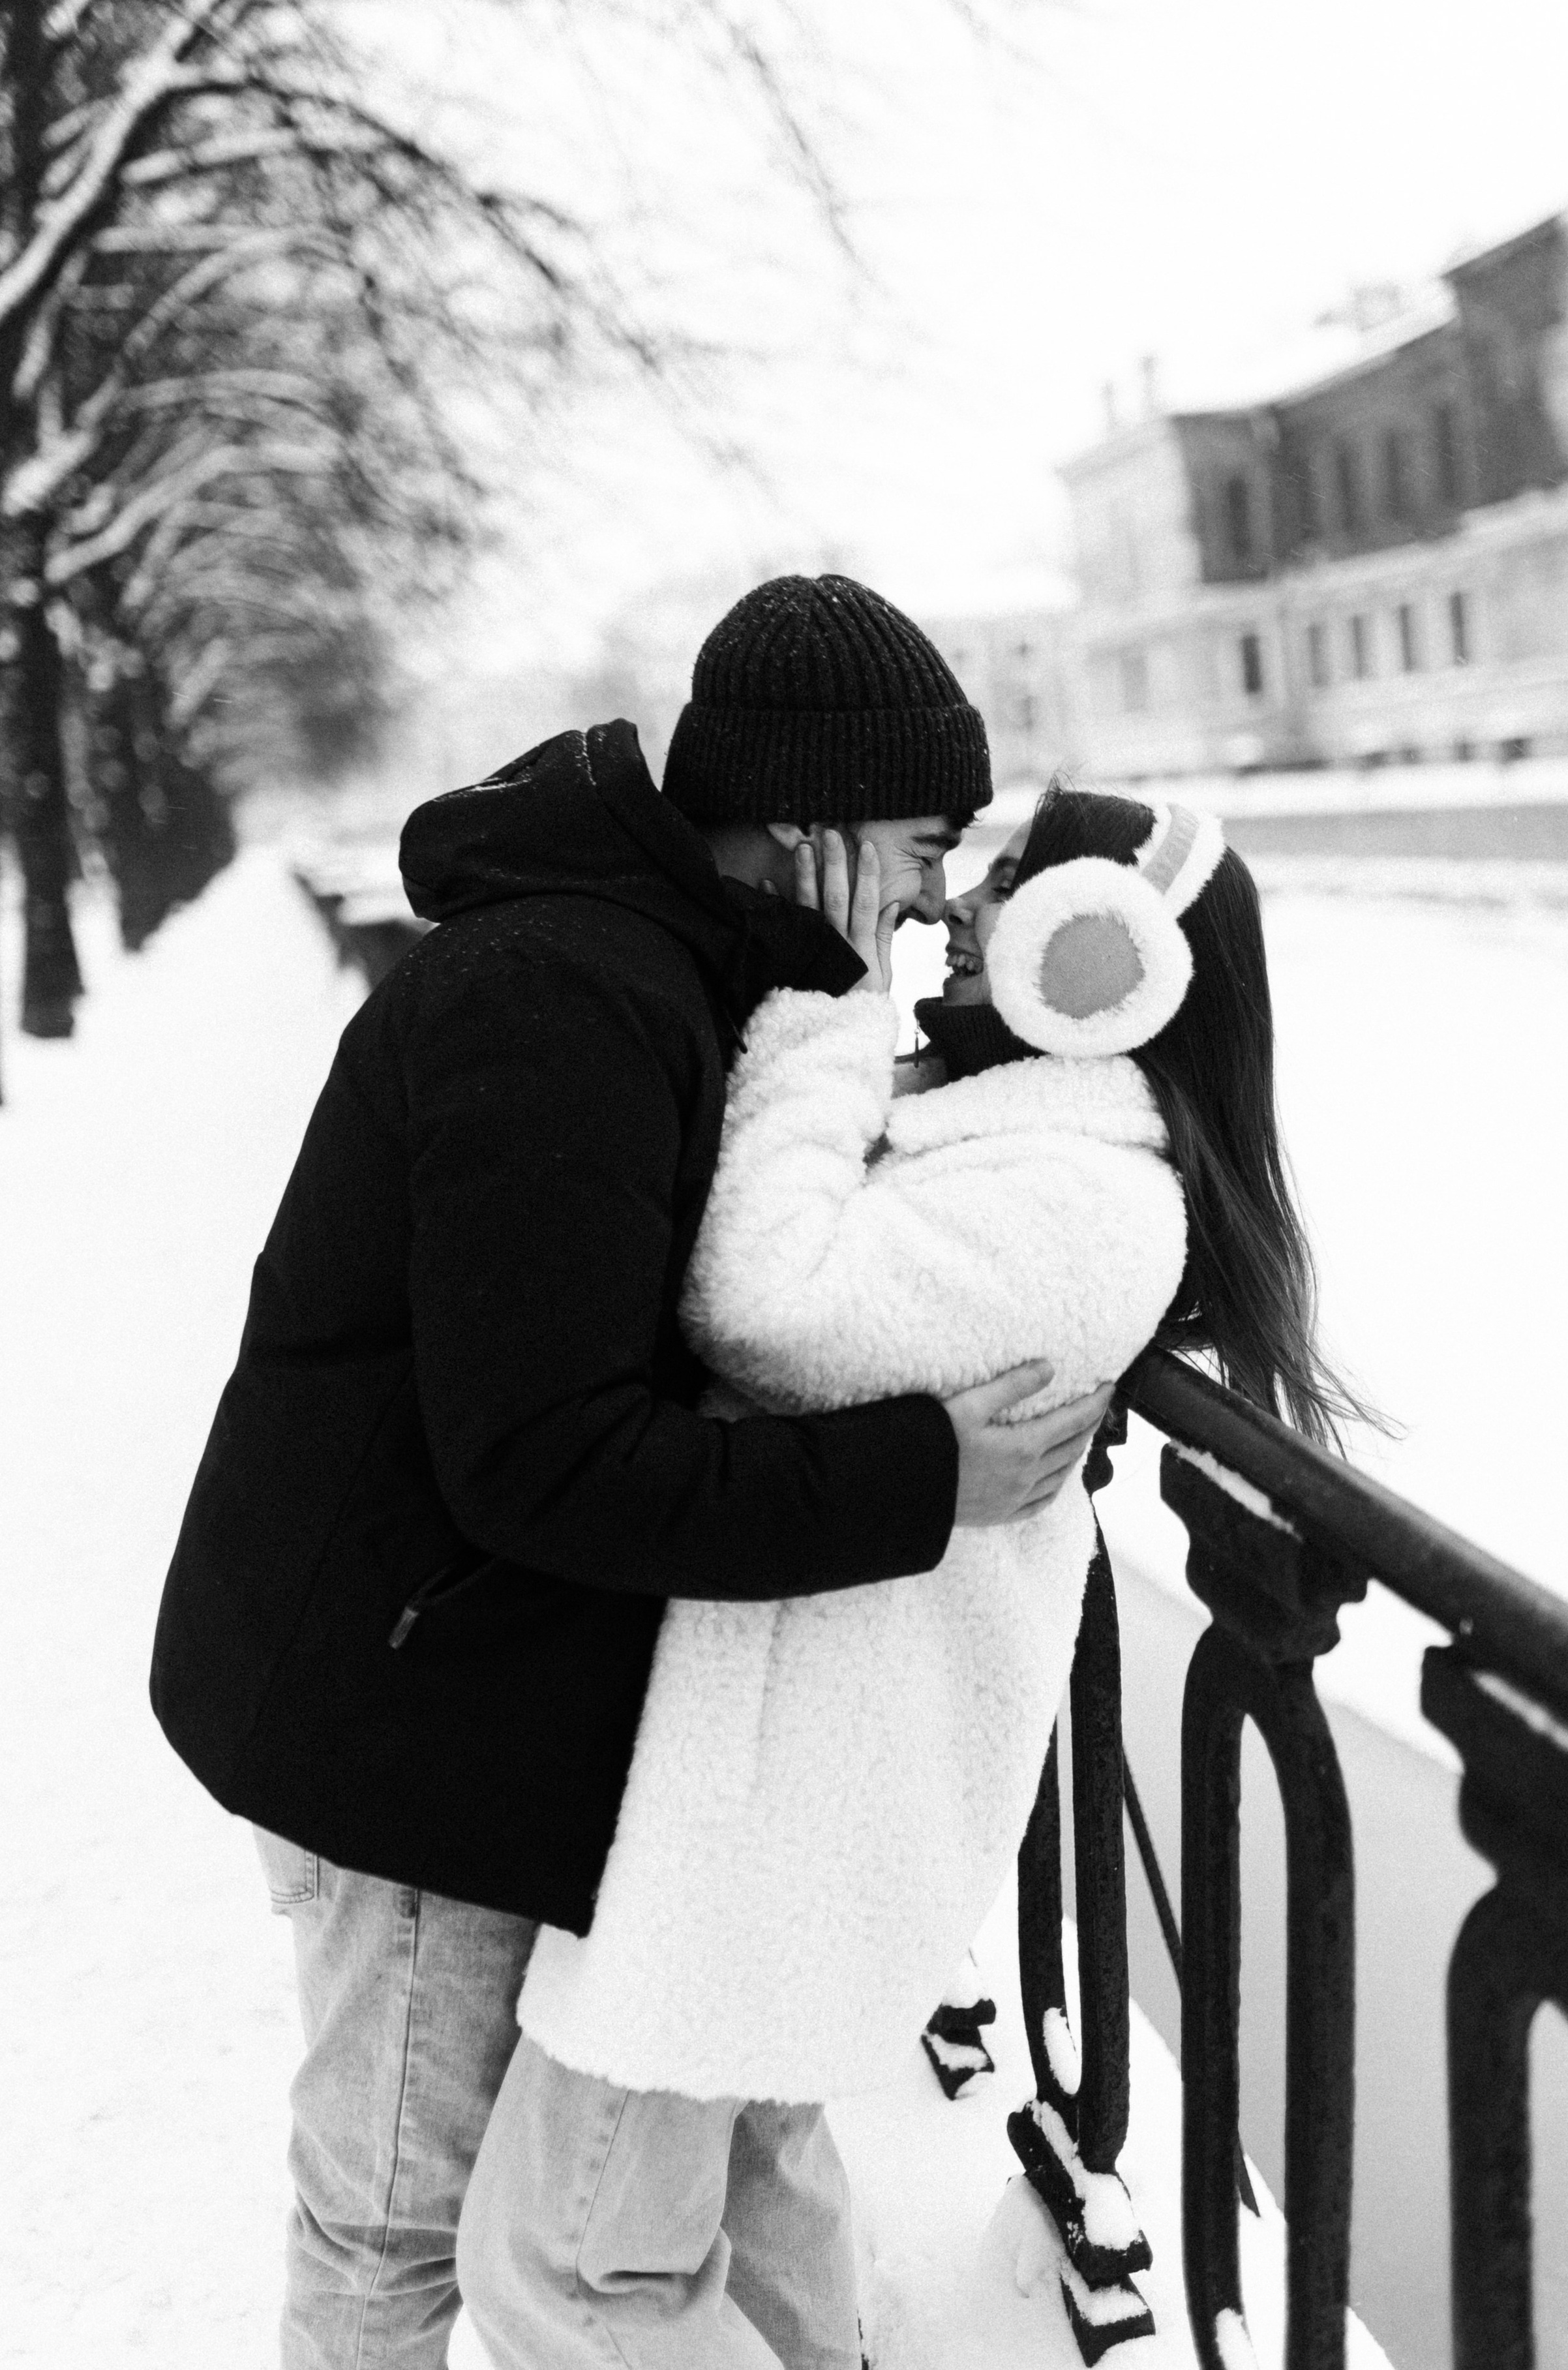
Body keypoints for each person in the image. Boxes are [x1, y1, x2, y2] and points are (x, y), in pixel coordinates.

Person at [148, 575, 1113, 2370]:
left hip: (474, 1680)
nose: (924, 900)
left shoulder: (666, 972)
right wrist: (923, 1477)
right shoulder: (567, 1001)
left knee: (550, 2188)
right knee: (395, 2220)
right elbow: (543, 1460)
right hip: (406, 1720)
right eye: (918, 844)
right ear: (809, 815)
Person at [461, 778, 1359, 2369]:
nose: (946, 908)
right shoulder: (1005, 1135)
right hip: (771, 1776)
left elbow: (766, 1307)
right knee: (743, 2197)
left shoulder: (1081, 1201)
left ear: (1104, 952)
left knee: (565, 2267)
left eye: (1002, 882)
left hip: (774, 1803)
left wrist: (821, 993)